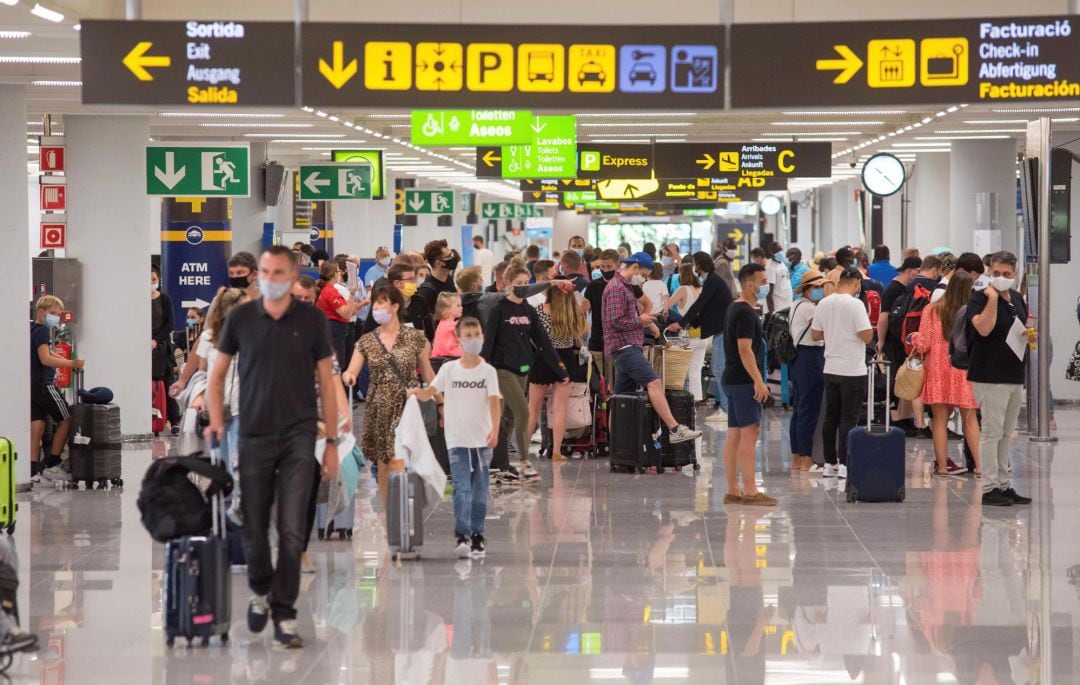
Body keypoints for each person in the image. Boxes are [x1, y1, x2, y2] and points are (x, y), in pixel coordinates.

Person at [206, 245, 339, 650]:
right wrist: (215, 420)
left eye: (278, 272)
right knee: (254, 522)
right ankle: (261, 590)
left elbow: (327, 384)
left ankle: (285, 614)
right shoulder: (242, 318)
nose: (270, 278)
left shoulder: (313, 320)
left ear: (291, 273)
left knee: (292, 529)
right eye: (265, 271)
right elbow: (217, 375)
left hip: (300, 434)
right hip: (254, 433)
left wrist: (331, 441)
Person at [410, 316, 500, 558]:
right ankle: (463, 535)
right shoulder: (449, 370)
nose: (473, 340)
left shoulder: (488, 371)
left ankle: (478, 534)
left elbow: (494, 403)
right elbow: (432, 390)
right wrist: (417, 392)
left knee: (480, 490)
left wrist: (495, 430)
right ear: (458, 339)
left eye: (477, 334)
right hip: (457, 439)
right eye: (468, 335)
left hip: (482, 440)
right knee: (461, 488)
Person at [342, 284, 436, 499]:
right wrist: (348, 377)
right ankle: (388, 511)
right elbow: (351, 370)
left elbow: (429, 374)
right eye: (375, 302)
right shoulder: (366, 341)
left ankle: (401, 504)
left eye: (381, 302)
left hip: (408, 405)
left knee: (399, 459)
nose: (376, 307)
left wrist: (440, 402)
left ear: (395, 306)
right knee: (384, 463)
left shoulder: (415, 338)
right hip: (379, 407)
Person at [603, 252, 701, 445]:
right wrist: (641, 320)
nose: (645, 277)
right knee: (654, 383)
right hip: (625, 347)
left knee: (621, 398)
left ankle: (615, 444)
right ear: (636, 268)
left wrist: (645, 321)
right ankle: (674, 429)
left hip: (627, 346)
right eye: (644, 273)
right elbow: (614, 321)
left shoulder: (626, 287)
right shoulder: (616, 288)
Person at [482, 264, 566, 482]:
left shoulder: (528, 310)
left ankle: (497, 462)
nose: (521, 287)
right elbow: (488, 344)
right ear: (508, 283)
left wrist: (559, 368)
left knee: (508, 418)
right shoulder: (499, 309)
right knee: (524, 412)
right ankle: (524, 463)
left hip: (523, 370)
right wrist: (484, 371)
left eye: (524, 283)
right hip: (502, 370)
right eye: (517, 283)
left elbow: (543, 342)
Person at [966, 251, 1033, 507]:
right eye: (996, 273)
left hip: (1013, 373)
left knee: (1006, 433)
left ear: (1014, 274)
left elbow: (1015, 327)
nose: (1001, 278)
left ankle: (1004, 485)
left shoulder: (1016, 298)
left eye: (1006, 274)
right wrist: (992, 298)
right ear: (989, 272)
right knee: (991, 433)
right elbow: (983, 328)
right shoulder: (980, 297)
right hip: (989, 374)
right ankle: (990, 487)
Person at [910, 272, 981, 477]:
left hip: (938, 369)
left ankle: (942, 467)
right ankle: (979, 467)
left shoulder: (931, 310)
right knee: (970, 419)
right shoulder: (973, 311)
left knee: (940, 419)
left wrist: (914, 337)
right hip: (964, 369)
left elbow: (924, 344)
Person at [721, 263, 776, 506]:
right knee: (749, 434)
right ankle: (751, 491)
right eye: (763, 282)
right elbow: (745, 350)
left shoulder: (734, 308)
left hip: (732, 379)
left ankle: (733, 489)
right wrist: (758, 380)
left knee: (734, 434)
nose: (766, 286)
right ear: (749, 283)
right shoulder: (745, 312)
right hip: (744, 381)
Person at [811, 267, 874, 479]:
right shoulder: (856, 305)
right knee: (849, 418)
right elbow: (866, 337)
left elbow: (815, 334)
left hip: (830, 368)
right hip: (852, 370)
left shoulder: (824, 303)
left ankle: (829, 464)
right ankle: (846, 463)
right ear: (856, 283)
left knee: (831, 417)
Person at [525, 285, 589, 462]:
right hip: (566, 359)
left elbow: (531, 336)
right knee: (559, 408)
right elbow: (585, 332)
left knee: (533, 408)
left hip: (543, 357)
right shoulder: (572, 311)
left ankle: (523, 450)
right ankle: (557, 451)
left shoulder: (539, 310)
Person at [29, 295, 84, 482]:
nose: (56, 317)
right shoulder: (42, 331)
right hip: (45, 385)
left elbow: (47, 352)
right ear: (41, 312)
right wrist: (71, 362)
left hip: (32, 386)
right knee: (66, 420)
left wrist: (68, 363)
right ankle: (52, 464)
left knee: (37, 427)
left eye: (59, 314)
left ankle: (32, 470)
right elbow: (45, 359)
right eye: (53, 313)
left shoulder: (32, 329)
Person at [678, 252, 734, 425]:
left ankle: (726, 410)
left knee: (719, 369)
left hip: (723, 331)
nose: (694, 268)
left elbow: (700, 304)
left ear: (700, 265)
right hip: (721, 330)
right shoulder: (713, 281)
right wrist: (691, 323)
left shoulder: (712, 281)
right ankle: (726, 408)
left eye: (695, 264)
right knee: (719, 369)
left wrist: (681, 322)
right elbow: (705, 308)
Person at [787, 270, 826, 473]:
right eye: (817, 287)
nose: (821, 290)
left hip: (798, 358)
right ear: (808, 289)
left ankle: (796, 457)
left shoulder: (796, 305)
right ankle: (806, 459)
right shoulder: (810, 309)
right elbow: (820, 333)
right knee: (808, 411)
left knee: (799, 409)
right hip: (811, 357)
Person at [583, 249, 638, 388]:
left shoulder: (625, 284)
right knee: (597, 384)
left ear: (618, 265)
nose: (604, 270)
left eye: (609, 267)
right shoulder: (592, 286)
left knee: (614, 384)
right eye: (602, 266)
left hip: (617, 342)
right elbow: (583, 311)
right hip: (596, 340)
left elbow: (644, 303)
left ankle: (614, 409)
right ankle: (599, 408)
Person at [666, 264, 710, 403]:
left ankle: (682, 402)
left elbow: (665, 305)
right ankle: (695, 400)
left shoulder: (682, 289)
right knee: (695, 370)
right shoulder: (702, 289)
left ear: (682, 275)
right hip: (702, 334)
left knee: (682, 369)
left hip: (686, 334)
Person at [315, 260, 362, 373]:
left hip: (335, 331)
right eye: (339, 271)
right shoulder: (330, 292)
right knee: (336, 368)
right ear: (334, 274)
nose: (340, 273)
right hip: (333, 331)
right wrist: (351, 294)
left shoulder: (329, 290)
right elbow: (346, 313)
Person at [151, 264, 181, 434]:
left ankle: (174, 420)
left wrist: (156, 340)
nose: (151, 283)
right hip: (143, 346)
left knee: (167, 382)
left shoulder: (164, 299)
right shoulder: (139, 300)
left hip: (162, 347)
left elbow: (170, 324)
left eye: (154, 280)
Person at [432, 292, 464, 359]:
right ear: (447, 309)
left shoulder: (442, 323)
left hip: (437, 358)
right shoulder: (452, 325)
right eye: (458, 306)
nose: (462, 307)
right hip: (448, 358)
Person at [764, 241, 793, 313]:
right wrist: (772, 313)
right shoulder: (770, 267)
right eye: (776, 251)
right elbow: (769, 293)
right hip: (778, 309)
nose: (780, 252)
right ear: (771, 253)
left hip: (786, 305)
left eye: (780, 249)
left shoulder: (782, 263)